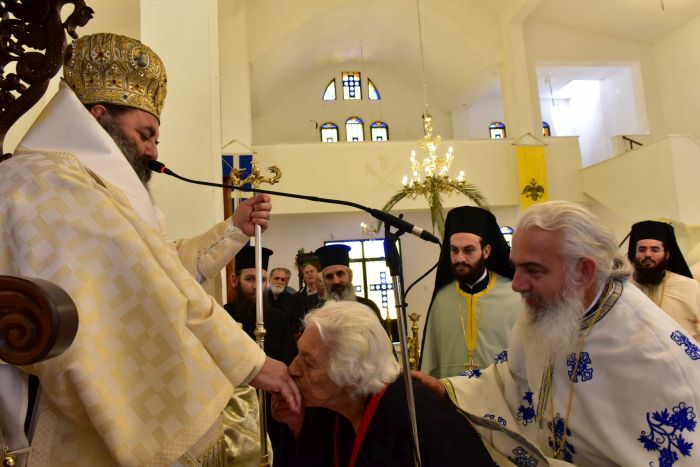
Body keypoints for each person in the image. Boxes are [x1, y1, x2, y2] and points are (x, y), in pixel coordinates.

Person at [0, 32, 299, 466]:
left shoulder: (81, 183)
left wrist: (233, 231)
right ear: (98, 116)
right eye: (146, 134)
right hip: (38, 409)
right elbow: (150, 284)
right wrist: (249, 363)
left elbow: (157, 268)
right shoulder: (51, 184)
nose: (153, 150)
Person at [413, 201, 700, 466]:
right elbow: (512, 377)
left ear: (584, 271)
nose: (517, 285)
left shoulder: (656, 355)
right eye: (516, 267)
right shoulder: (546, 312)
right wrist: (448, 390)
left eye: (533, 270)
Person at [270, 301, 496, 466]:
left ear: (352, 376)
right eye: (299, 353)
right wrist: (296, 425)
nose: (292, 369)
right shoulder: (332, 407)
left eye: (308, 362)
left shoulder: (424, 425)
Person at [420, 206, 520, 377]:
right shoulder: (442, 299)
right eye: (454, 250)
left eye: (468, 250)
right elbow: (431, 363)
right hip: (450, 392)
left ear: (486, 251)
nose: (460, 258)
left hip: (501, 392)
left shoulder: (514, 296)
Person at [627, 220, 700, 341]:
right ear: (635, 253)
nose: (648, 254)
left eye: (655, 250)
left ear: (667, 254)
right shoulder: (623, 286)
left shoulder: (690, 287)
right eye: (642, 250)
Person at [225, 248, 297, 365]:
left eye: (262, 280)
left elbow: (289, 363)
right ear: (234, 280)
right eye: (250, 279)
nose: (256, 287)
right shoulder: (222, 315)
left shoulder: (279, 319)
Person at [314, 244, 384, 321]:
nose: (336, 281)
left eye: (340, 274)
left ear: (350, 276)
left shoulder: (369, 307)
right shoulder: (317, 313)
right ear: (324, 282)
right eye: (329, 276)